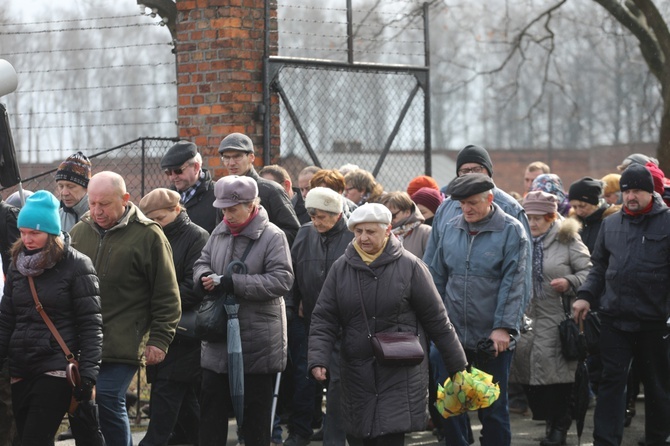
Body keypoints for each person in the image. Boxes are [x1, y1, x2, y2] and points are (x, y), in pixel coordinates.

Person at [308, 203, 467, 446]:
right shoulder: (341, 268)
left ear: (388, 230)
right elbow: (324, 317)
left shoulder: (411, 266)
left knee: (388, 437)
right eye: (358, 232)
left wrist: (458, 366)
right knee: (358, 436)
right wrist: (318, 359)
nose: (363, 238)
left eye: (370, 232)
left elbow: (437, 320)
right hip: (355, 370)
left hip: (399, 371)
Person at [70, 171, 181, 446]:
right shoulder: (80, 232)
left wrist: (160, 340)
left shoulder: (149, 236)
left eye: (104, 204)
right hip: (83, 339)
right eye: (92, 203)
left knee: (107, 397)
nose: (96, 210)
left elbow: (167, 294)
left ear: (125, 199)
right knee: (80, 401)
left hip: (124, 340)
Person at [424, 174, 531, 446]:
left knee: (492, 409)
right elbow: (436, 277)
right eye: (462, 204)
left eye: (473, 203)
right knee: (450, 405)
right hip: (452, 337)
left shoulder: (512, 231)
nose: (466, 209)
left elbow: (515, 283)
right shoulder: (450, 227)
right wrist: (435, 326)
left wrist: (503, 328)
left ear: (490, 199)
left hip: (491, 339)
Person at [573, 164, 670, 446]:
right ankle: (606, 440)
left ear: (651, 192)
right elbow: (599, 266)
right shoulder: (611, 224)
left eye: (637, 190)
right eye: (626, 190)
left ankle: (657, 438)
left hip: (654, 321)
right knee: (612, 382)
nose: (631, 196)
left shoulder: (666, 222)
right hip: (615, 319)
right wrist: (585, 296)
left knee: (656, 386)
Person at [193, 175, 293, 446]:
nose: (226, 215)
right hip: (218, 339)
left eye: (232, 209)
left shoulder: (273, 236)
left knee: (255, 418)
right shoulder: (219, 231)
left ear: (251, 205)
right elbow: (202, 261)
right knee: (211, 412)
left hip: (258, 342)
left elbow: (282, 280)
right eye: (223, 209)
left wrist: (232, 282)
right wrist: (203, 277)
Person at [0, 191, 102, 445]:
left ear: (51, 232)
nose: (27, 239)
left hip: (56, 369)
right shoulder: (17, 266)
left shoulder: (77, 266)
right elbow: (6, 320)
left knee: (33, 439)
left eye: (34, 233)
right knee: (25, 438)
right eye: (23, 232)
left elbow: (91, 325)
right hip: (21, 368)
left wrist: (88, 374)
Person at [512, 191, 592, 446]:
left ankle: (558, 429)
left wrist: (570, 281)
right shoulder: (519, 236)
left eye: (539, 218)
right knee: (532, 380)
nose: (533, 223)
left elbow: (591, 272)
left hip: (557, 319)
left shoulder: (567, 239)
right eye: (529, 217)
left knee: (559, 381)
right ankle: (549, 424)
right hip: (526, 320)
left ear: (551, 216)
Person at [283, 187, 355, 446]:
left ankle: (334, 439)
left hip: (346, 324)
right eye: (313, 215)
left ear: (337, 215)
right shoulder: (304, 234)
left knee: (337, 385)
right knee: (306, 375)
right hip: (310, 321)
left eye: (323, 216)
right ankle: (303, 431)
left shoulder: (353, 236)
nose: (316, 222)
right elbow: (291, 275)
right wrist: (291, 308)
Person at [138, 188, 209, 446]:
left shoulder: (197, 237)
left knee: (169, 386)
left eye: (160, 219)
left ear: (177, 210)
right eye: (150, 220)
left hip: (184, 329)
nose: (155, 224)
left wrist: (158, 299)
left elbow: (195, 286)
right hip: (164, 326)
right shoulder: (152, 238)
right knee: (181, 392)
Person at [218, 133, 300, 244]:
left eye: (237, 156)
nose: (231, 163)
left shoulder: (272, 190)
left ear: (251, 157)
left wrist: (261, 243)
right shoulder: (223, 191)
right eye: (226, 157)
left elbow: (294, 233)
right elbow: (220, 234)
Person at [161, 140, 218, 234]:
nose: (172, 177)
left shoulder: (217, 196)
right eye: (168, 172)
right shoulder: (167, 199)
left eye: (178, 171)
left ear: (196, 167)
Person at [568, 177, 620, 254]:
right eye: (574, 207)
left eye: (582, 206)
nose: (578, 212)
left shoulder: (612, 222)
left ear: (595, 203)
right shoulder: (574, 224)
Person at [379, 191, 431, 259]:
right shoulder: (380, 232)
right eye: (385, 216)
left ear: (407, 212)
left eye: (392, 215)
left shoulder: (425, 232)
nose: (388, 220)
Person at [56, 151, 92, 232]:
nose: (64, 193)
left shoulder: (99, 216)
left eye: (71, 186)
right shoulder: (55, 218)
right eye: (61, 186)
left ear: (87, 187)